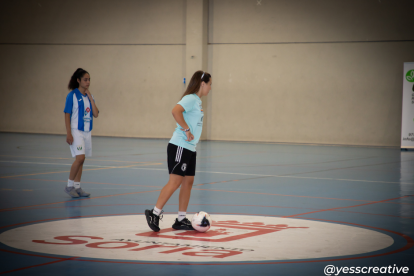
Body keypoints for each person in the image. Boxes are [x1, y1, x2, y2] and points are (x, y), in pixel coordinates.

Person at [145, 70, 212, 232]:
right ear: (202, 84)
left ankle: (181, 219)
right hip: (180, 146)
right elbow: (175, 111)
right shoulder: (190, 99)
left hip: (190, 148)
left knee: (188, 183)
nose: (210, 88)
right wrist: (187, 129)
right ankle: (154, 213)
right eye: (210, 84)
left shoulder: (197, 101)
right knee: (175, 182)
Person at [63, 68, 99, 198]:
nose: (88, 82)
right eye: (85, 79)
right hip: (76, 131)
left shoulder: (90, 97)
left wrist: (90, 97)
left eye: (89, 79)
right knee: (80, 158)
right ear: (78, 80)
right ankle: (69, 185)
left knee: (82, 160)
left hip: (87, 132)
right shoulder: (72, 95)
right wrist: (68, 133)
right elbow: (67, 114)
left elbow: (96, 114)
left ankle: (77, 187)